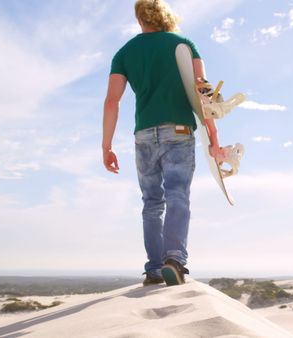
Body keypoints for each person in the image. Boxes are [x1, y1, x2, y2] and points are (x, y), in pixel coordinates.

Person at [102, 0, 221, 286]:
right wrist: (213, 136)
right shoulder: (183, 45)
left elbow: (111, 101)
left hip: (143, 135)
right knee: (177, 194)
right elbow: (202, 92)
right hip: (178, 131)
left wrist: (106, 146)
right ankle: (174, 261)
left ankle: (154, 269)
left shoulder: (125, 53)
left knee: (151, 203)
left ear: (139, 18)